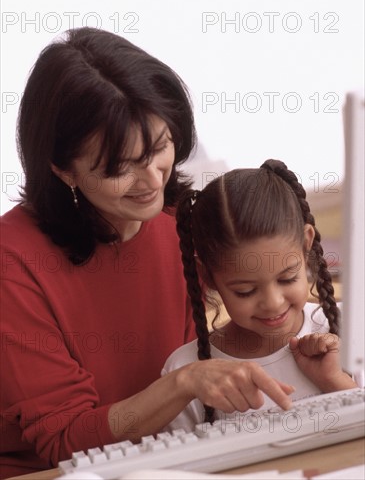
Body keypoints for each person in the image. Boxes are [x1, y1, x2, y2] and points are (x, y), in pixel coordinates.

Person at [0, 29, 293, 479]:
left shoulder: (180, 218)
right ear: (63, 169)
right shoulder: (13, 261)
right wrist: (182, 384)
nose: (153, 179)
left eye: (159, 148)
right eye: (120, 167)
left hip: (171, 459)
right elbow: (63, 441)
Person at [162, 160, 358, 432]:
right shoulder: (186, 371)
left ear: (306, 244)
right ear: (207, 277)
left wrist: (335, 382)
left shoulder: (353, 327)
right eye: (245, 291)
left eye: (287, 278)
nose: (273, 303)